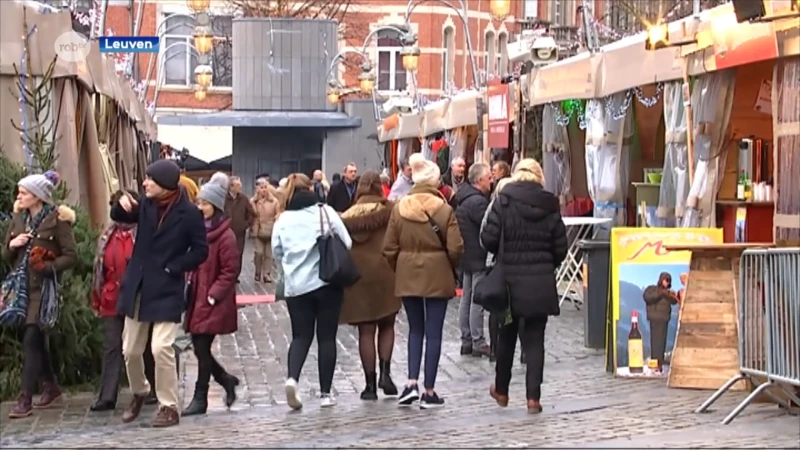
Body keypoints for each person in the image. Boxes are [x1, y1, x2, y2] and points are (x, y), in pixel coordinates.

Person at [111, 159, 208, 427]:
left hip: (167, 287)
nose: (145, 183)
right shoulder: (145, 204)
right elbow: (119, 217)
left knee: (161, 347)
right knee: (130, 350)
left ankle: (169, 406)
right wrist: (121, 204)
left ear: (165, 184)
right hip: (139, 286)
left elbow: (201, 251)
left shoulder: (189, 214)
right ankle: (141, 392)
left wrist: (174, 267)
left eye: (150, 179)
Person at [480, 158, 567, 414]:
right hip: (539, 283)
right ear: (539, 176)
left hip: (508, 283)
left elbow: (488, 239)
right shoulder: (550, 204)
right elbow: (560, 247)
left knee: (506, 336)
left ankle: (502, 390)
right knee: (535, 341)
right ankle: (533, 398)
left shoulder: (503, 200)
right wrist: (547, 262)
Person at [383, 153, 463, 409]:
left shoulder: (400, 208)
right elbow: (456, 247)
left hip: (408, 274)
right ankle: (429, 390)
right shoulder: (444, 209)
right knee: (434, 332)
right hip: (437, 274)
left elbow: (389, 248)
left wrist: (402, 267)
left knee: (414, 329)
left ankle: (410, 383)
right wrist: (448, 266)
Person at [272, 173, 352, 410]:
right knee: (326, 338)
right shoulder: (325, 212)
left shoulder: (283, 219)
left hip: (297, 287)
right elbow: (346, 242)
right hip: (326, 282)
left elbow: (277, 251)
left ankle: (292, 378)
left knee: (300, 336)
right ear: (311, 188)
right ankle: (326, 394)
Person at [3, 171, 77, 419]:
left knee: (31, 337)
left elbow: (71, 255)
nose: (19, 197)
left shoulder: (57, 220)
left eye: (23, 193)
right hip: (21, 288)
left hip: (43, 289)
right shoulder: (19, 219)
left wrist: (49, 267)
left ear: (37, 196)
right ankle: (51, 385)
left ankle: (25, 398)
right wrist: (12, 245)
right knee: (34, 339)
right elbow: (7, 257)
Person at [89, 190, 158, 412]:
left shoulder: (145, 233)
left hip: (138, 296)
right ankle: (107, 395)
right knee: (111, 346)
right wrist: (98, 294)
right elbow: (100, 269)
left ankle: (152, 389)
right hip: (111, 296)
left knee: (142, 344)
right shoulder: (108, 235)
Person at [182, 173, 241, 416]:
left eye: (205, 203)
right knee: (199, 348)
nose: (200, 207)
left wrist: (214, 294)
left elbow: (230, 270)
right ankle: (226, 380)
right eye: (199, 203)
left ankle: (200, 397)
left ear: (215, 206)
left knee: (202, 347)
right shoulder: (198, 231)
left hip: (213, 301)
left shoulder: (225, 236)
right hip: (197, 296)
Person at [339, 171, 401, 401]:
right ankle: (386, 373)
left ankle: (369, 386)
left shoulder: (347, 216)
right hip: (386, 274)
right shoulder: (391, 209)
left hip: (359, 278)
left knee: (366, 332)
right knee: (387, 325)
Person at [454, 163, 492, 358]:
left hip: (466, 254)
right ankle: (478, 340)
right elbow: (488, 228)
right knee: (476, 299)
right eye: (488, 178)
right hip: (477, 255)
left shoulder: (462, 198)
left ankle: (466, 339)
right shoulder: (478, 202)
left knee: (467, 298)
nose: (491, 181)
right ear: (479, 180)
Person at [643, 272, 678, 372]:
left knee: (661, 342)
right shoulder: (652, 289)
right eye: (666, 280)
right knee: (655, 341)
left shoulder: (667, 292)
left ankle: (659, 363)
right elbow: (648, 297)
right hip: (655, 318)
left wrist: (670, 294)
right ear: (661, 279)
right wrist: (662, 293)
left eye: (669, 281)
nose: (667, 283)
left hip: (664, 319)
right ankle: (655, 363)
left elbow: (674, 301)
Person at [224, 176, 255, 283]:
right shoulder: (224, 199)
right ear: (230, 187)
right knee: (226, 254)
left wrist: (246, 224)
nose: (240, 187)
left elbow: (251, 213)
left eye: (240, 185)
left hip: (239, 232)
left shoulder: (244, 199)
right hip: (226, 231)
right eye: (237, 185)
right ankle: (226, 274)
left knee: (238, 254)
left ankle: (235, 275)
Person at [250, 178, 280, 283]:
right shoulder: (253, 201)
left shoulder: (274, 201)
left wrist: (276, 219)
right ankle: (258, 271)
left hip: (270, 230)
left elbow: (278, 213)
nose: (264, 190)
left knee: (269, 255)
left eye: (265, 187)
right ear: (257, 188)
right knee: (259, 252)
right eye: (261, 187)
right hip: (257, 230)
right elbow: (251, 214)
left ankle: (267, 274)